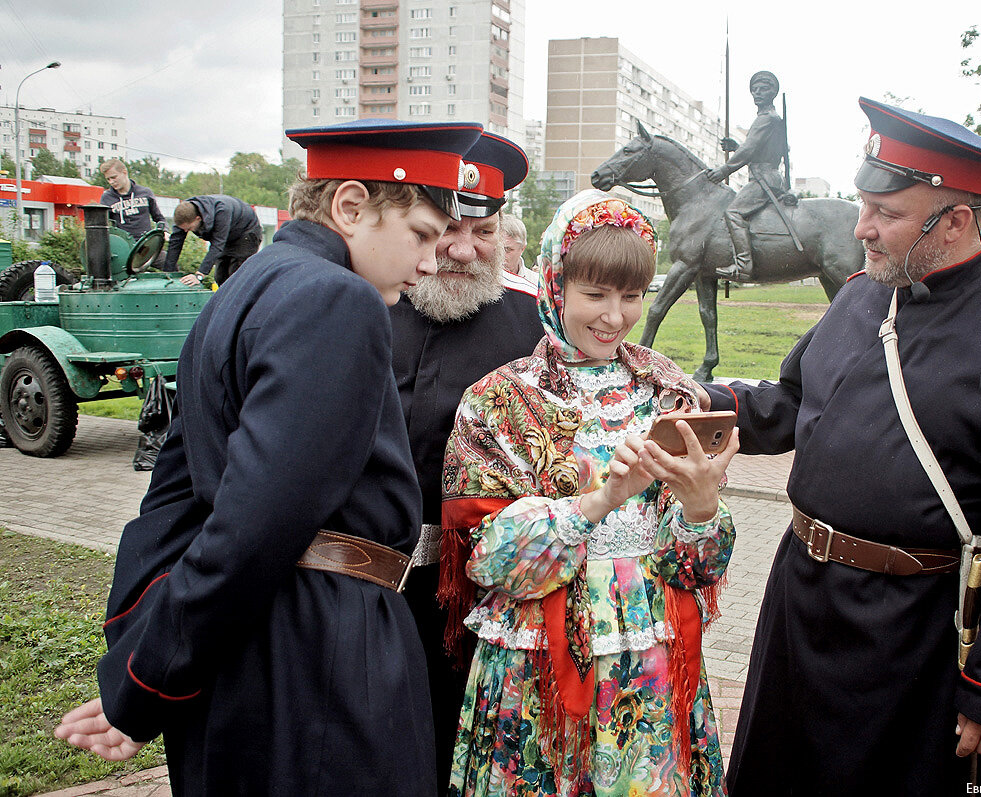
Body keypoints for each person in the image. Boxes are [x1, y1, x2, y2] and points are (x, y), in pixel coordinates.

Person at [54, 117, 486, 795]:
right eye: (423, 235)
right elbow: (251, 528)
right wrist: (150, 673)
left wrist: (147, 663)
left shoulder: (244, 288)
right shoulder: (336, 299)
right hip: (318, 661)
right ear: (350, 206)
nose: (433, 262)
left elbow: (172, 499)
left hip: (251, 654)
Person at [705, 98, 981, 795]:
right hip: (804, 606)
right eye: (864, 204)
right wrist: (704, 404)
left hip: (918, 637)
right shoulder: (865, 293)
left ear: (955, 221)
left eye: (885, 213)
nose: (861, 227)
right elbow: (798, 400)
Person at [440, 189, 738, 797]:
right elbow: (491, 563)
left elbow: (697, 570)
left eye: (631, 296)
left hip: (648, 661)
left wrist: (703, 507)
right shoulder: (499, 400)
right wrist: (597, 502)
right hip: (538, 670)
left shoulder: (670, 390)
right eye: (595, 295)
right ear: (555, 285)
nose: (614, 317)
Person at [389, 130, 544, 794]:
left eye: (481, 230)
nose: (460, 247)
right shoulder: (372, 300)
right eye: (447, 227)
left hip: (484, 593)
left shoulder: (537, 323)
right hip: (375, 588)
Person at [705, 70, 788, 282]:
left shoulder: (766, 119)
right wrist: (737, 147)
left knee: (733, 212)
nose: (758, 93)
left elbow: (750, 150)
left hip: (764, 180)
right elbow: (757, 149)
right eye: (755, 89)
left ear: (774, 92)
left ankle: (743, 265)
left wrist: (723, 171)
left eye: (764, 89)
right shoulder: (769, 118)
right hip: (766, 176)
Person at [163, 194, 263, 287]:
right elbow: (175, 244)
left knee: (236, 275)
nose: (185, 231)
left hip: (246, 233)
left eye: (189, 229)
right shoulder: (184, 214)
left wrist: (200, 275)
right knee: (220, 276)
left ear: (198, 219)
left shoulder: (222, 211)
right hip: (228, 235)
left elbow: (217, 245)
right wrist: (168, 273)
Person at [99, 159, 166, 239]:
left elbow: (159, 218)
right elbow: (101, 226)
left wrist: (164, 231)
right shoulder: (106, 198)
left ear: (124, 172)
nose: (111, 182)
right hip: (123, 245)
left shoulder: (145, 193)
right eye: (108, 179)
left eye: (114, 177)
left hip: (146, 244)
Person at [500, 212, 538, 283]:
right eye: (497, 249)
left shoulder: (536, 283)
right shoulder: (481, 282)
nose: (501, 255)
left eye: (507, 250)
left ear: (522, 249)